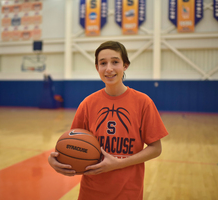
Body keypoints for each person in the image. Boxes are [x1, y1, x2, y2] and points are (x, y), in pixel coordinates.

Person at [48, 41, 168, 200]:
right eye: (103, 63)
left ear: (125, 65)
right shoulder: (87, 104)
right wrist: (55, 159)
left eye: (115, 62)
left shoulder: (143, 102)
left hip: (128, 192)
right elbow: (73, 144)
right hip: (91, 192)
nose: (109, 68)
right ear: (97, 68)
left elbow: (156, 148)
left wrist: (119, 163)